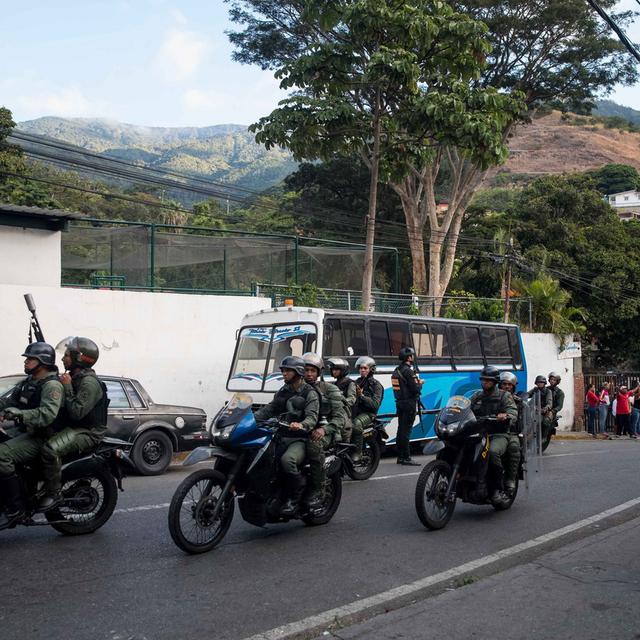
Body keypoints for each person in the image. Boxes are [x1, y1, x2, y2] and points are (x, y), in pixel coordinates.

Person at [38, 337, 109, 511]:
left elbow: (77, 413)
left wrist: (67, 386)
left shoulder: (89, 383)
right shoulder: (74, 377)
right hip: (73, 428)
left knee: (50, 449)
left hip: (88, 432)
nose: (63, 359)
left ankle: (53, 493)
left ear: (79, 358)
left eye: (67, 355)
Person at [0, 343, 64, 527]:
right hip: (26, 431)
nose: (26, 362)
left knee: (2, 454)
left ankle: (14, 509)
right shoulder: (28, 382)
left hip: (43, 436)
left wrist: (19, 414)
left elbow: (47, 414)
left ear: (42, 362)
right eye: (26, 358)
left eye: (30, 359)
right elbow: (8, 401)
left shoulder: (52, 385)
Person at [254, 355, 319, 516]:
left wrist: (301, 425)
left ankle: (294, 498)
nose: (284, 374)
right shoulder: (284, 391)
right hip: (280, 435)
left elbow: (312, 417)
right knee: (260, 456)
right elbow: (269, 409)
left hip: (300, 438)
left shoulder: (309, 393)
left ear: (297, 372)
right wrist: (249, 419)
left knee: (287, 460)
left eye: (287, 371)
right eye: (283, 371)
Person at [301, 353, 346, 509]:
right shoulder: (296, 388)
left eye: (313, 371)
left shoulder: (329, 389)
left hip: (326, 432)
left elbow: (340, 418)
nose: (309, 374)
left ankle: (318, 489)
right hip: (302, 431)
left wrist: (324, 429)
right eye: (306, 370)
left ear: (319, 372)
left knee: (313, 446)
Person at [470, 366, 518, 505]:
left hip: (498, 434)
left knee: (491, 452)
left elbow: (513, 412)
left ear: (495, 381)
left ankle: (497, 488)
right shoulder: (477, 395)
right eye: (483, 380)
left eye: (488, 380)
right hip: (478, 433)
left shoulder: (505, 396)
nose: (485, 383)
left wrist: (507, 415)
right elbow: (466, 407)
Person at [391, 346, 423, 466]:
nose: (413, 357)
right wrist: (420, 384)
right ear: (409, 357)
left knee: (401, 429)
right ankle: (406, 457)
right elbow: (415, 389)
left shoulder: (396, 370)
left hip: (399, 403)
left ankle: (400, 456)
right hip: (409, 404)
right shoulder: (408, 371)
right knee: (406, 431)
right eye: (412, 356)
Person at [351, 356, 384, 463]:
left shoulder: (376, 385)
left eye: (365, 368)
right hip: (355, 411)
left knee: (356, 425)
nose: (362, 370)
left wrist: (361, 396)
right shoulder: (357, 382)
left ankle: (358, 453)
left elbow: (375, 404)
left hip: (368, 414)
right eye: (360, 368)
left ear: (371, 369)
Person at [498, 371, 523, 493]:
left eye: (509, 384)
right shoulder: (493, 397)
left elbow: (522, 420)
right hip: (490, 431)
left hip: (511, 433)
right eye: (504, 384)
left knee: (514, 447)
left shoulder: (518, 402)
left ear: (513, 386)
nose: (507, 386)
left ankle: (510, 479)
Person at [326, 357, 357, 444]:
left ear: (343, 370)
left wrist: (342, 401)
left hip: (346, 412)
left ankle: (344, 442)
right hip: (334, 409)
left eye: (337, 369)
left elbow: (352, 399)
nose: (334, 372)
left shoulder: (350, 383)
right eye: (333, 370)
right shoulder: (334, 384)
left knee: (343, 430)